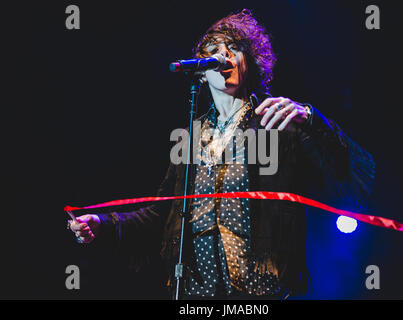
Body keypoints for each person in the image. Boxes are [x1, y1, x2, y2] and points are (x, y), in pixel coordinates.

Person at [69, 9, 375, 299]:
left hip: (258, 291)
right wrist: (103, 223)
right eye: (214, 49)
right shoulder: (193, 136)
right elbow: (164, 213)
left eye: (233, 48)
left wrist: (310, 116)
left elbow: (348, 168)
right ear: (202, 69)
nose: (222, 55)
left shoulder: (276, 122)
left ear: (250, 61)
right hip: (195, 290)